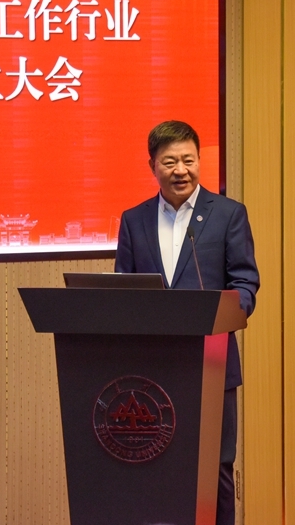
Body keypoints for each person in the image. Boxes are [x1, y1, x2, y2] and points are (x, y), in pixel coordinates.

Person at [115, 120, 260, 525]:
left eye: (189, 160)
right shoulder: (134, 220)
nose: (181, 170)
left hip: (212, 361)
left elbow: (245, 282)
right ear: (152, 166)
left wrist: (227, 313)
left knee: (216, 467)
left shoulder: (228, 214)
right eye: (170, 162)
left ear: (199, 161)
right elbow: (123, 287)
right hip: (152, 369)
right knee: (156, 464)